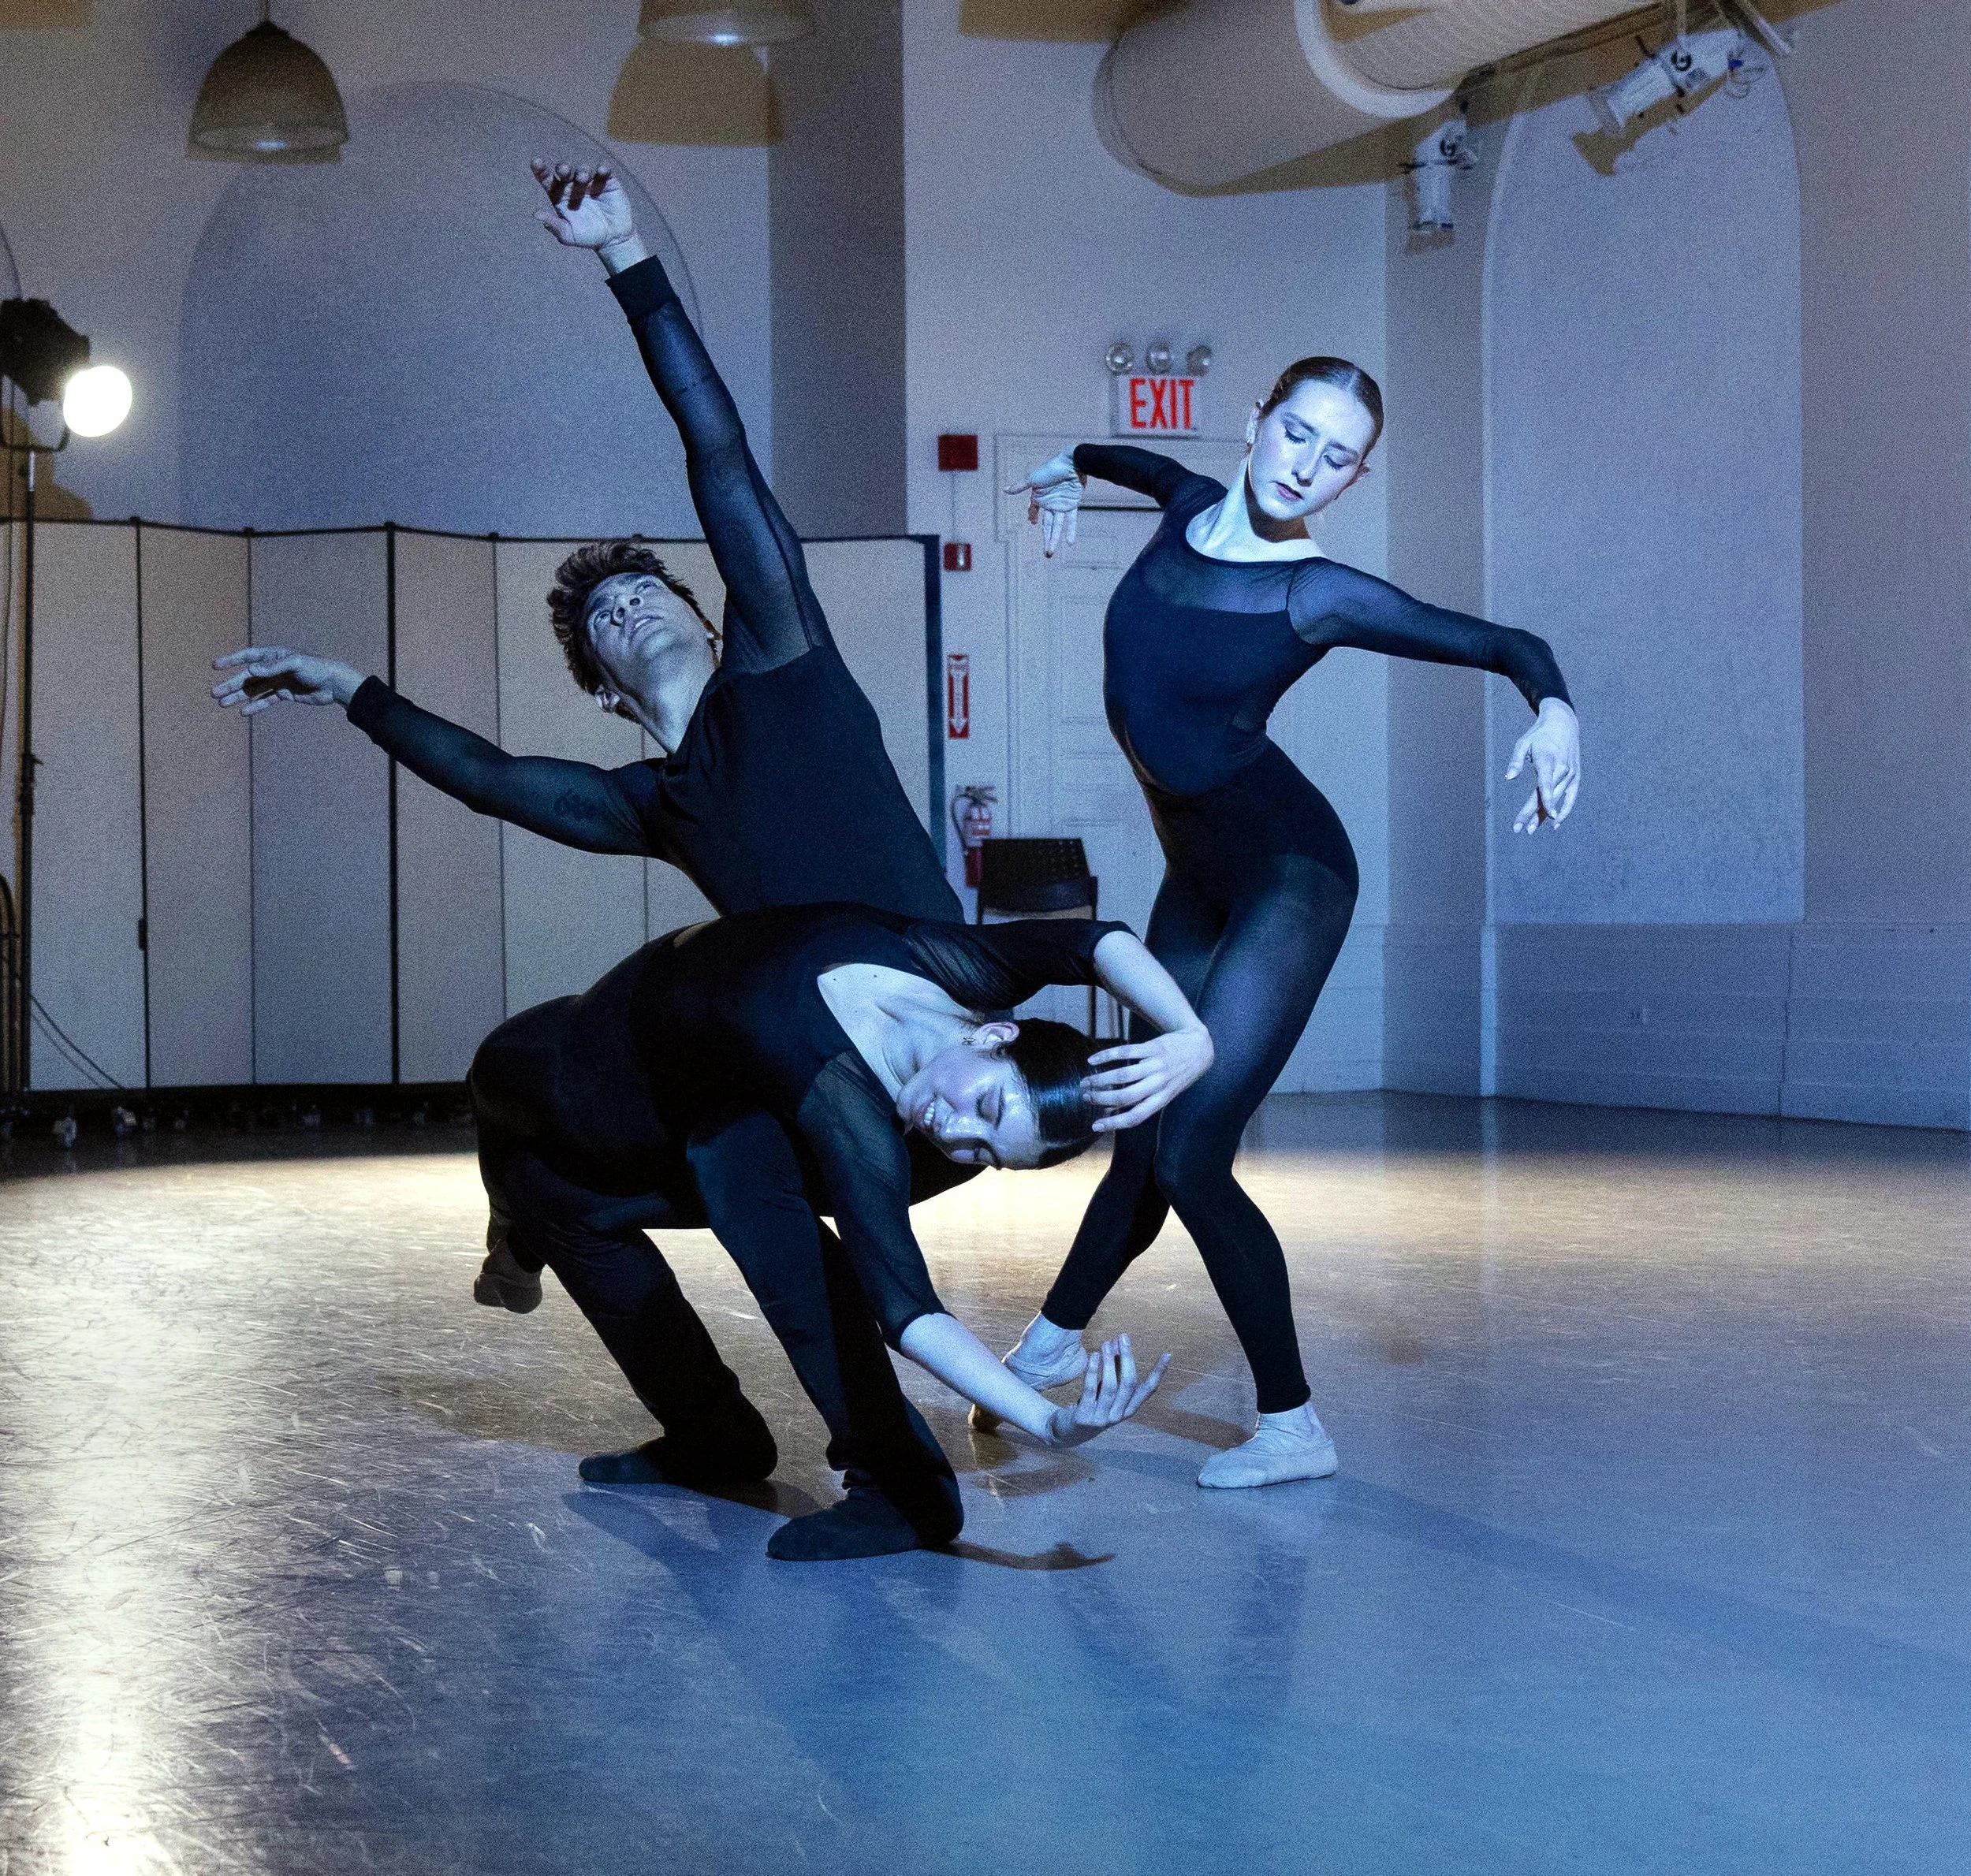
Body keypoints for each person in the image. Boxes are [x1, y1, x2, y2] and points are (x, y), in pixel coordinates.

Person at [1004, 359, 1582, 1490]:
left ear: (1355, 479)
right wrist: (1066, 464)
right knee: (1145, 1126)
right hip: (1196, 876)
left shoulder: (1317, 594)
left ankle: (1291, 1425)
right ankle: (1050, 1345)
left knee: (1193, 1151)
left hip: (1291, 875)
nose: (1307, 465)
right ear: (1257, 421)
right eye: (1297, 433)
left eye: (1338, 457)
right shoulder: (1184, 508)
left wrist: (1553, 709)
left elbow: (1503, 642)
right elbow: (1136, 460)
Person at [468, 899, 1211, 1558]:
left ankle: (903, 1492)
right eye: (984, 1108)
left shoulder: (849, 1116)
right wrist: (1190, 1036)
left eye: (986, 1154)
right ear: (994, 1036)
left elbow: (910, 1311)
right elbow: (1095, 942)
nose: (955, 1134)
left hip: (671, 1100)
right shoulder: (955, 964)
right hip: (628, 1063)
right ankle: (712, 1435)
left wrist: (1049, 1424)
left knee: (707, 1183)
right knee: (543, 1168)